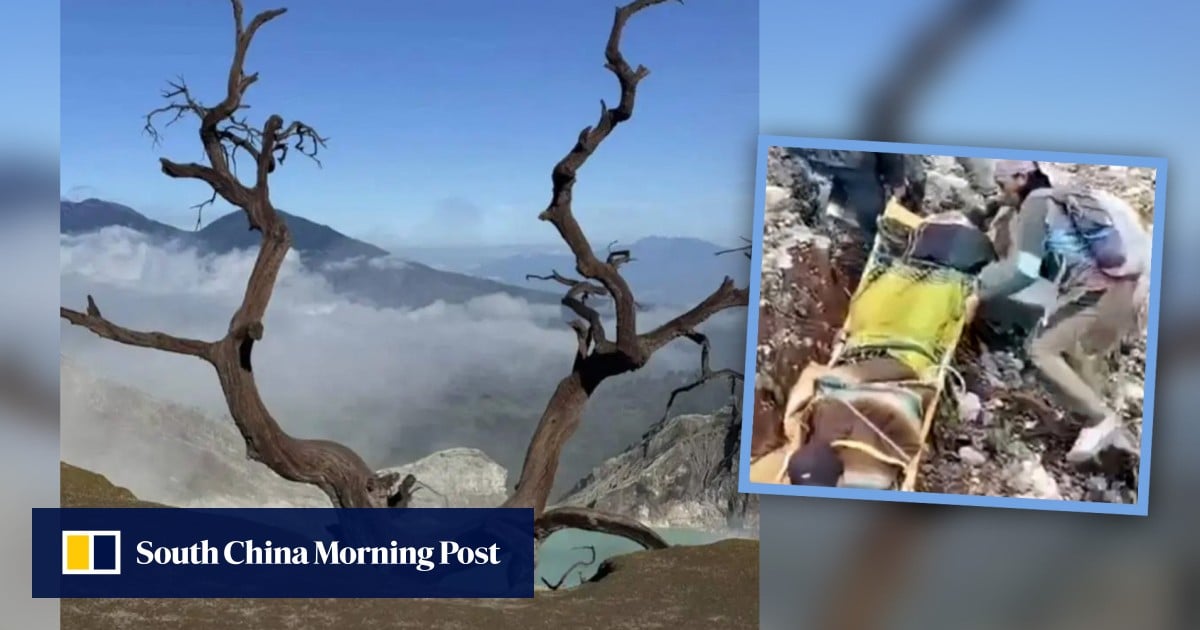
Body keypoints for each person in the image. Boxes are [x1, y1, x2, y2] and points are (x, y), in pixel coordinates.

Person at [968, 159, 1149, 463]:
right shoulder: (1061, 194)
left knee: (1040, 350)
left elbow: (1023, 271)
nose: (1003, 193)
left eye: (1003, 185)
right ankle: (1116, 443)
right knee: (1074, 351)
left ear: (1022, 177)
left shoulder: (1035, 206)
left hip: (1096, 293)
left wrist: (978, 291)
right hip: (1127, 289)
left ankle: (1101, 419)